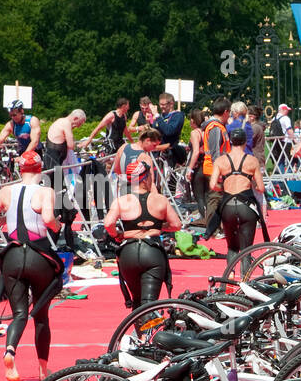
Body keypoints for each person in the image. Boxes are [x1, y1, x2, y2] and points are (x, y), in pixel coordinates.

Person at [0, 150, 62, 381]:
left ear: (20, 170)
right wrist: (56, 225)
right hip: (38, 255)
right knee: (42, 316)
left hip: (13, 255)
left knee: (19, 314)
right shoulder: (45, 191)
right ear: (40, 169)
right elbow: (47, 219)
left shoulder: (6, 191)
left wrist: (8, 219)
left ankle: (10, 352)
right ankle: (43, 370)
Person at [104, 157, 181, 309]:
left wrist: (117, 235)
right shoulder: (160, 200)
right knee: (150, 304)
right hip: (152, 251)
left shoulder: (121, 201)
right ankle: (150, 332)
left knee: (137, 303)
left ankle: (140, 332)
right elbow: (176, 225)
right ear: (145, 178)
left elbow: (108, 224)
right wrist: (159, 227)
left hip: (129, 252)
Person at [210, 122, 266, 269]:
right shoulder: (252, 161)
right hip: (246, 206)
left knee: (232, 247)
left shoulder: (221, 161)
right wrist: (248, 181)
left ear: (230, 141)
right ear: (245, 142)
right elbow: (261, 188)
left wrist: (224, 187)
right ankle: (244, 281)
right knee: (246, 249)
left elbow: (212, 185)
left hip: (227, 204)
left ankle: (230, 278)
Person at [43, 109, 86, 249]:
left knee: (60, 198)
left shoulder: (62, 122)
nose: (78, 127)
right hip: (53, 163)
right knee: (60, 198)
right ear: (75, 118)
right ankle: (57, 232)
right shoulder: (65, 123)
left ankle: (63, 231)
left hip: (54, 163)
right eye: (79, 124)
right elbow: (71, 145)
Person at [199, 98, 232, 240]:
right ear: (225, 112)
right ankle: (212, 229)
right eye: (229, 113)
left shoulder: (216, 127)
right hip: (214, 169)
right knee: (214, 199)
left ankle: (214, 228)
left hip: (214, 168)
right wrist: (218, 172)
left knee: (217, 198)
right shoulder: (216, 128)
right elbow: (215, 152)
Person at [185, 108, 209, 215]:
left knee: (199, 196)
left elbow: (195, 152)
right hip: (208, 165)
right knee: (208, 196)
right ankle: (211, 219)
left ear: (193, 120)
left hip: (198, 167)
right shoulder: (207, 131)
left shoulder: (195, 133)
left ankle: (205, 220)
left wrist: (189, 169)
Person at [155, 93, 188, 166]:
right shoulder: (160, 116)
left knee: (167, 176)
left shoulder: (177, 116)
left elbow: (169, 131)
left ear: (171, 104)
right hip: (156, 153)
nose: (161, 107)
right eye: (160, 104)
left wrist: (158, 118)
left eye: (163, 104)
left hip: (170, 154)